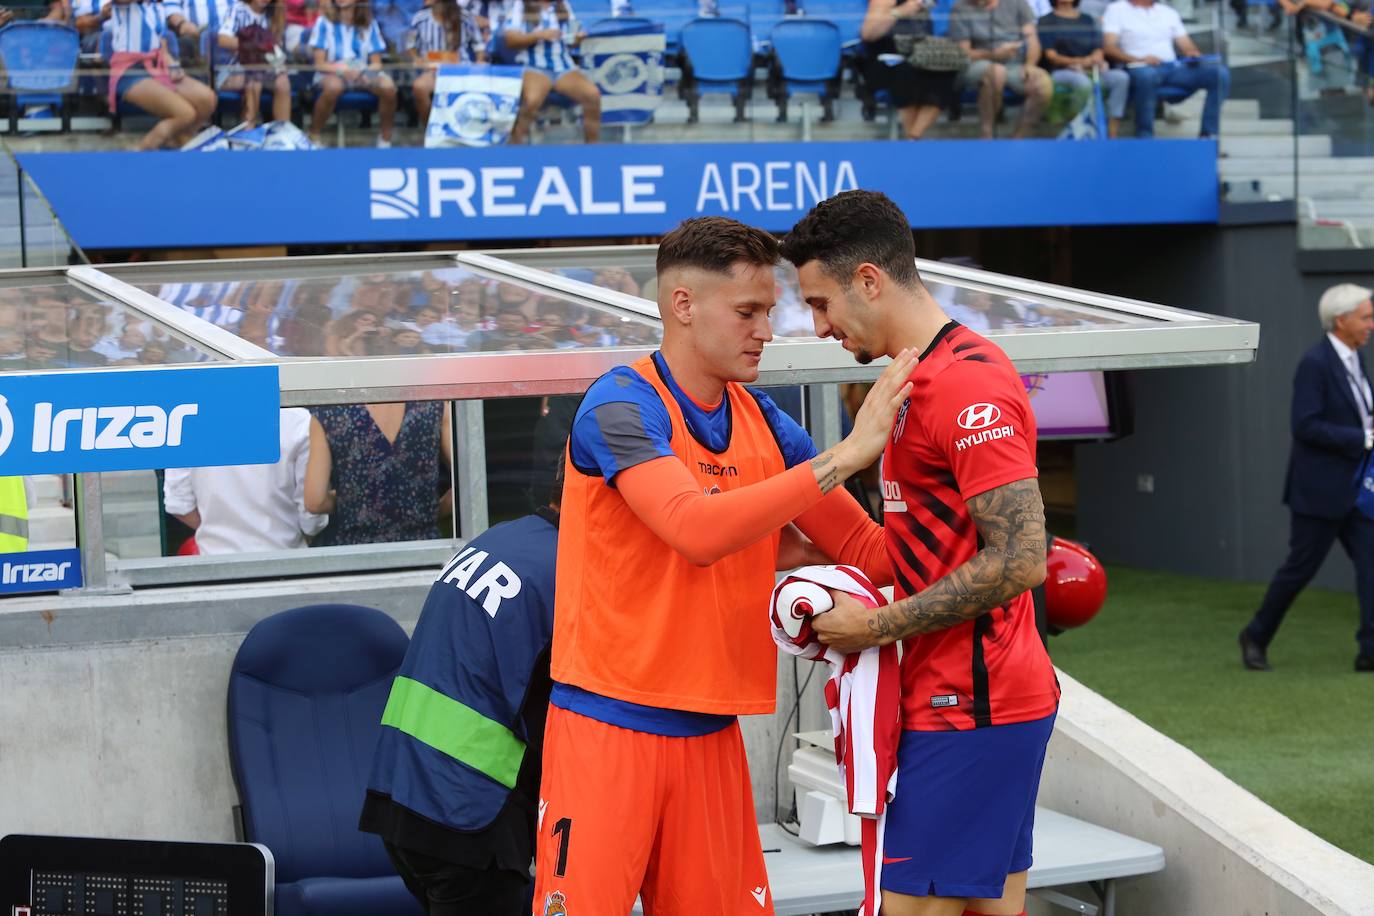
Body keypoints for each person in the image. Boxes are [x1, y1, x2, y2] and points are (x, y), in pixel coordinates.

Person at [532, 216, 914, 915]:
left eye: (769, 311)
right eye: (748, 311)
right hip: (607, 729)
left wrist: (974, 509)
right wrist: (845, 457)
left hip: (710, 731)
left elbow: (871, 552)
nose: (766, 330)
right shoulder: (617, 405)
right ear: (682, 305)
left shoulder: (765, 419)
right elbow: (693, 529)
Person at [780, 190, 1058, 916]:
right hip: (964, 700)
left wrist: (875, 627)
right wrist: (792, 542)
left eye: (820, 303)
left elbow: (1023, 558)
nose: (818, 327)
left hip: (976, 704)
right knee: (990, 907)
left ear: (868, 280)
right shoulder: (910, 380)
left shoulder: (967, 383)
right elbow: (901, 550)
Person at [360, 491, 562, 914]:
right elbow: (569, 717)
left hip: (404, 799)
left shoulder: (499, 540)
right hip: (470, 814)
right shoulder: (571, 569)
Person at [1241, 284, 1374, 673]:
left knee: (1371, 565)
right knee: (1300, 569)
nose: (1371, 324)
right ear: (1341, 320)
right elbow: (1305, 425)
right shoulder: (1316, 363)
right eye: (1366, 317)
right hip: (1319, 491)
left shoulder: (1355, 359)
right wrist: (1363, 438)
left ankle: (1369, 650)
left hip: (1356, 491)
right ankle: (1256, 635)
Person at [164, 408, 328, 554]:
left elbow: (179, 504)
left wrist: (223, 529)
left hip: (215, 560)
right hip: (285, 556)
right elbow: (311, 518)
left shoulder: (187, 419)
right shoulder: (298, 422)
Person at [303, 400, 452, 546]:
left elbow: (315, 501)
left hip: (357, 553)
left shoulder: (329, 413)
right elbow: (471, 481)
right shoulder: (434, 406)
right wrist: (431, 510)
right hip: (425, 549)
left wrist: (352, 499)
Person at [1101, 0, 1229, 138]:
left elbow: (1186, 44)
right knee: (1147, 76)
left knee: (1218, 74)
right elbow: (1109, 47)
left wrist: (1192, 53)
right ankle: (1145, 135)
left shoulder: (1168, 12)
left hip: (1173, 68)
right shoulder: (1116, 9)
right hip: (1137, 67)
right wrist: (1139, 59)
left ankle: (1209, 135)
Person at [103, 0, 217, 150]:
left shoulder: (158, 7)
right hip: (129, 71)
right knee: (185, 114)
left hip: (157, 68)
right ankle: (138, 153)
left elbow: (161, 46)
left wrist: (173, 67)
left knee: (207, 99)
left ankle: (177, 143)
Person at [949, 0, 1053, 138]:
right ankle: (987, 134)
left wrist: (1030, 64)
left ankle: (1020, 136)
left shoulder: (1018, 3)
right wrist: (994, 53)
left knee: (1042, 82)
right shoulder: (960, 8)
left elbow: (1032, 39)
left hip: (1015, 64)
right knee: (996, 73)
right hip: (977, 63)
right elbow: (964, 52)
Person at [502, 0, 601, 144]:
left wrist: (578, 38)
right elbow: (510, 40)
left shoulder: (563, 5)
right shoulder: (520, 5)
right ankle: (512, 147)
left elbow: (571, 39)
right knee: (532, 100)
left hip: (564, 67)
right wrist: (539, 35)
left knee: (592, 95)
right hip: (534, 66)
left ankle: (593, 148)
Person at [859, 0, 959, 140]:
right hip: (886, 59)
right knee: (906, 73)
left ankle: (913, 137)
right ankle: (911, 140)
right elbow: (868, 34)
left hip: (922, 57)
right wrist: (899, 12)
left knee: (945, 73)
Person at [308, 0, 397, 146]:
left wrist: (365, 73)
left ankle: (385, 139)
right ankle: (313, 136)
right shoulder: (323, 22)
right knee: (334, 87)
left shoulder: (370, 24)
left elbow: (376, 63)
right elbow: (319, 64)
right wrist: (341, 70)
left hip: (362, 72)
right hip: (331, 71)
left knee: (388, 87)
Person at [1037, 0, 1129, 136]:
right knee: (1083, 84)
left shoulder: (1087, 19)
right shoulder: (1046, 20)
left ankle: (1111, 132)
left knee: (1120, 78)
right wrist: (1080, 61)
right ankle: (1076, 127)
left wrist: (1095, 58)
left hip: (1092, 68)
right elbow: (1051, 56)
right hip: (1063, 70)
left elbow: (1098, 47)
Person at [408, 0, 485, 128]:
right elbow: (410, 44)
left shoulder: (466, 17)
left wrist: (479, 63)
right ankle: (431, 127)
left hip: (460, 69)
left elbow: (479, 46)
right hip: (431, 70)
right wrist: (416, 58)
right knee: (419, 87)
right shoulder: (419, 19)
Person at [217, 0, 293, 125]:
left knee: (283, 82)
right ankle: (248, 132)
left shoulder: (274, 15)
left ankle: (282, 132)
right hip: (235, 70)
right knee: (254, 80)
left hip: (266, 68)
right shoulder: (238, 9)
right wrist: (254, 46)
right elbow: (222, 39)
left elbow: (277, 51)